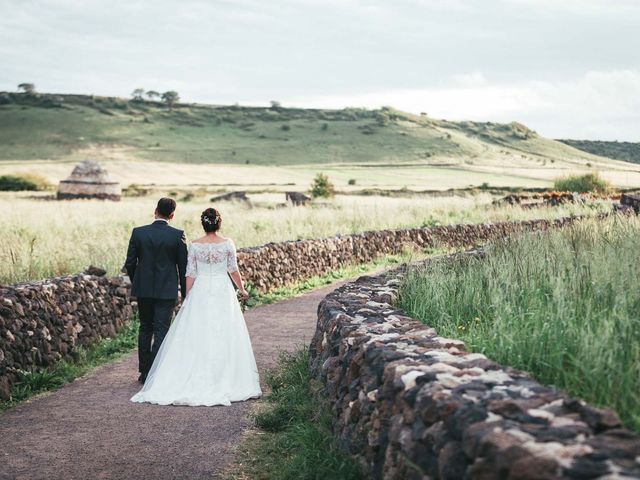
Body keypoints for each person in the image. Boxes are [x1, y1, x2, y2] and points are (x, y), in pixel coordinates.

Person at [130, 207, 262, 406]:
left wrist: (187, 297)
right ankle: (224, 376)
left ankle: (177, 375)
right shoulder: (227, 243)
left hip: (201, 289)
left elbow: (190, 273)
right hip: (222, 289)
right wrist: (242, 289)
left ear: (203, 224)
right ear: (219, 223)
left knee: (196, 331)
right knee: (224, 330)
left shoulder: (195, 245)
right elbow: (233, 269)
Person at [124, 197, 187, 384]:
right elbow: (183, 269)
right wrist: (185, 294)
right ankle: (156, 373)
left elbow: (129, 263)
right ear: (172, 215)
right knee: (161, 330)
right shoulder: (177, 235)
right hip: (166, 291)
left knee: (145, 328)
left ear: (155, 211)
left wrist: (139, 281)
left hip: (143, 290)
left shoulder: (138, 233)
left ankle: (144, 373)